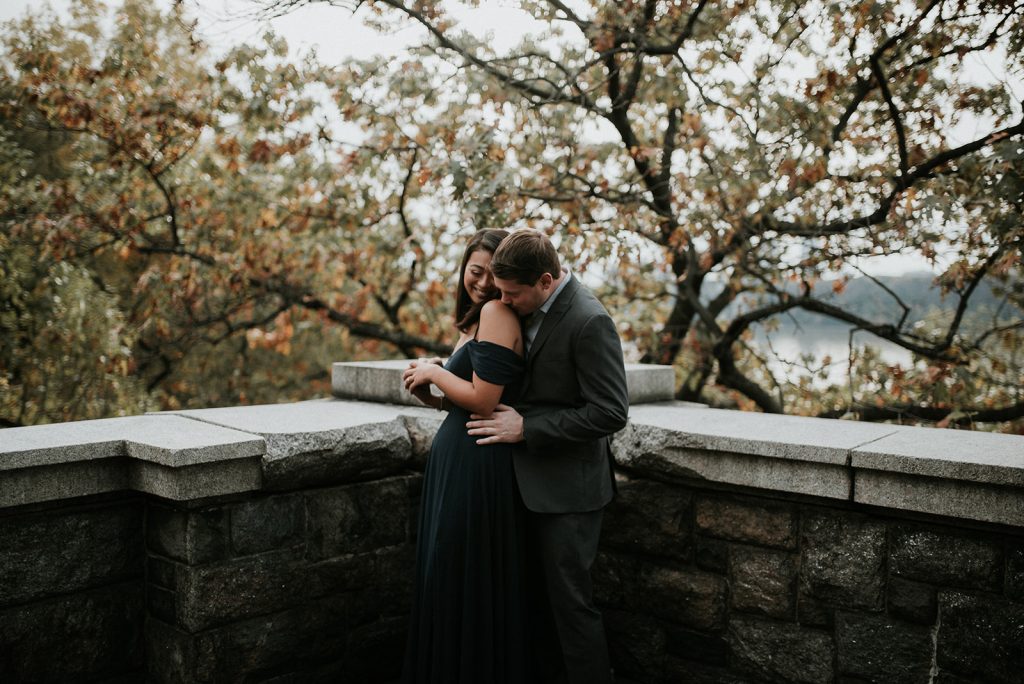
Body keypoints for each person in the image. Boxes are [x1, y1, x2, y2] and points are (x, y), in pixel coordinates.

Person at [466, 229, 629, 684]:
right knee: (530, 605)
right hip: (522, 483)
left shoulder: (589, 320)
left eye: (512, 293)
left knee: (572, 609)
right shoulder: (525, 303)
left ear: (545, 280)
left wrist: (528, 428)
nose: (503, 301)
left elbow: (611, 412)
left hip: (569, 495)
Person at [400, 228, 532, 684]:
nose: (481, 282)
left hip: (478, 465)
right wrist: (431, 396)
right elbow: (463, 401)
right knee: (448, 575)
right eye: (474, 271)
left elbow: (482, 399)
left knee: (459, 577)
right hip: (458, 458)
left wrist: (433, 369)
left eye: (492, 274)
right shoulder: (478, 319)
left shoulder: (498, 312)